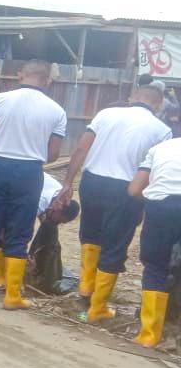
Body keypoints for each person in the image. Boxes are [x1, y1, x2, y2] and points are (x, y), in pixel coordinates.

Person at [53, 82, 171, 322]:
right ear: (159, 104)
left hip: (92, 181)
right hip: (125, 189)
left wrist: (67, 181)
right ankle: (97, 307)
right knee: (115, 245)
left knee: (90, 236)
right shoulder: (161, 129)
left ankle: (85, 290)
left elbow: (81, 149)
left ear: (132, 97)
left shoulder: (105, 114)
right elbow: (155, 169)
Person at [0, 60, 67, 310]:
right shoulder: (57, 111)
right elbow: (53, 155)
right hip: (29, 172)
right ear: (47, 80)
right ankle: (12, 296)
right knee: (20, 230)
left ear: (20, 75)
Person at [127, 137, 181, 347]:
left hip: (161, 208)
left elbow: (134, 190)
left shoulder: (160, 148)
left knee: (155, 267)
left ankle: (149, 335)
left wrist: (155, 199)